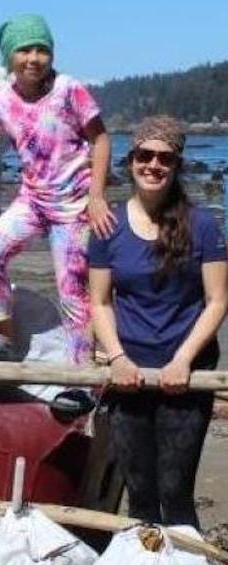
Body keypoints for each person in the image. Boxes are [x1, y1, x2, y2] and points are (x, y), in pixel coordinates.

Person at [0, 14, 112, 365]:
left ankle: (81, 379)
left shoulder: (69, 90)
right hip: (33, 202)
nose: (33, 58)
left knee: (72, 294)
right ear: (9, 58)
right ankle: (3, 339)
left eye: (41, 50)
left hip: (73, 208)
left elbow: (101, 139)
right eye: (24, 50)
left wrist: (96, 196)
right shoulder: (3, 101)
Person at [89, 115, 228, 527]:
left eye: (164, 158)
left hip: (187, 372)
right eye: (144, 155)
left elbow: (218, 300)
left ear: (177, 165)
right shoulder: (106, 226)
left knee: (175, 491)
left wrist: (183, 360)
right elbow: (99, 302)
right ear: (130, 161)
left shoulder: (202, 225)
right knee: (141, 493)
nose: (154, 165)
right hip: (128, 372)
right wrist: (116, 357)